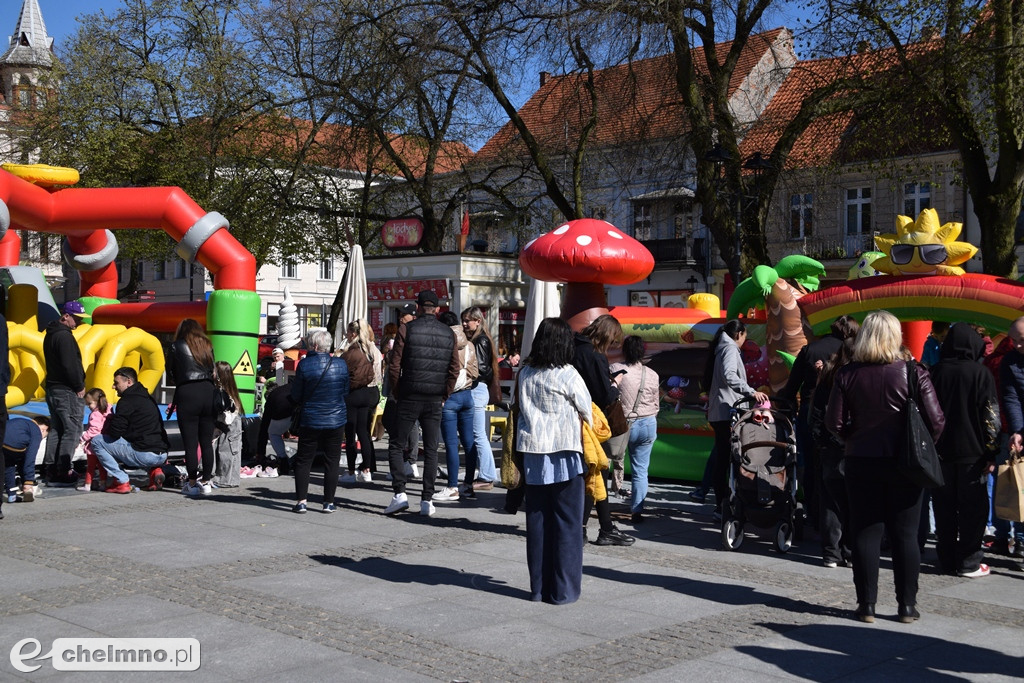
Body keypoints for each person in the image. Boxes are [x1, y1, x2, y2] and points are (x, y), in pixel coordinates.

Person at [827, 310, 945, 624]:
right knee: (906, 535)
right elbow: (936, 421)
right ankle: (906, 606)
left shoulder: (847, 374)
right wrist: (917, 445)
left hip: (861, 460)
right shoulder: (912, 371)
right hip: (905, 463)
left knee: (865, 532)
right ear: (896, 336)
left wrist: (852, 438)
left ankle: (866, 605)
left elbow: (833, 422)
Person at [517, 317, 593, 604]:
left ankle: (538, 589)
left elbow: (519, 407)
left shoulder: (526, 373)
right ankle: (563, 591)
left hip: (533, 453)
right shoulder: (568, 374)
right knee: (568, 523)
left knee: (537, 523)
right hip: (565, 453)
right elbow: (587, 410)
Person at [929, 323, 999, 578]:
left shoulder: (936, 372)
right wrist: (992, 451)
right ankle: (969, 561)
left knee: (944, 507)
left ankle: (946, 557)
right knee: (973, 509)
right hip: (973, 452)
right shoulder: (980, 374)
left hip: (940, 452)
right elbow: (990, 416)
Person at [779, 314, 859, 532]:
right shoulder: (854, 353)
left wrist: (791, 407)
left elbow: (791, 386)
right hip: (845, 415)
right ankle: (843, 519)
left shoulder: (810, 349)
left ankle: (815, 513)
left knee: (813, 465)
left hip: (810, 411)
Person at [384, 290, 460, 516]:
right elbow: (454, 369)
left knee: (397, 444)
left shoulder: (407, 329)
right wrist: (445, 393)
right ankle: (427, 499)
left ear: (417, 307)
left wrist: (398, 391)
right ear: (437, 309)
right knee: (431, 449)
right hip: (435, 397)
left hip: (409, 394)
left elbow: (394, 365)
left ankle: (400, 494)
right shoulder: (448, 333)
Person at [573, 314, 634, 546]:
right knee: (596, 470)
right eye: (613, 340)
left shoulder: (575, 347)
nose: (613, 345)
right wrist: (615, 386)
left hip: (575, 417)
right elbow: (603, 394)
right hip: (592, 420)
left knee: (595, 471)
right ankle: (587, 527)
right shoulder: (594, 355)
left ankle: (603, 526)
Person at [704, 320, 769, 517]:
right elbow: (730, 375)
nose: (744, 341)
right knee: (729, 458)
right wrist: (751, 392)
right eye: (744, 336)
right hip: (728, 410)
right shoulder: (730, 349)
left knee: (722, 458)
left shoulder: (721, 348)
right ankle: (725, 503)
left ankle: (721, 503)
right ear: (738, 334)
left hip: (720, 410)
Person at [809, 337, 856, 568]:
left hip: (829, 446)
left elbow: (816, 412)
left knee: (830, 500)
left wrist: (821, 441)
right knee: (853, 500)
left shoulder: (829, 375)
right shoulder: (856, 377)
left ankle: (831, 552)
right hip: (851, 446)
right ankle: (848, 550)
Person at [289, 328, 348, 513]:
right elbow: (345, 391)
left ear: (314, 345)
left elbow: (297, 394)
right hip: (336, 418)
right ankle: (328, 502)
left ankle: (301, 501)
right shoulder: (341, 365)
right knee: (332, 460)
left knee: (304, 460)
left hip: (311, 418)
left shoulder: (305, 366)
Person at [90, 367, 171, 494]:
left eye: (116, 383)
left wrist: (109, 422)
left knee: (97, 441)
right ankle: (155, 471)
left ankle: (121, 481)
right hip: (162, 454)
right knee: (139, 442)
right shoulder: (147, 397)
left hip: (145, 454)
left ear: (128, 381)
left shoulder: (126, 401)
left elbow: (115, 433)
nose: (113, 386)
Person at [610, 335, 660, 524]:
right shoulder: (653, 374)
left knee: (609, 462)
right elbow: (656, 403)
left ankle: (603, 501)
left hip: (623, 424)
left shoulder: (615, 369)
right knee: (641, 470)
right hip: (648, 423)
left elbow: (610, 395)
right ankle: (637, 510)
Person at [168, 318, 217, 496]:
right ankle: (206, 482)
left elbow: (171, 371)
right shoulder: (207, 345)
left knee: (190, 442)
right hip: (208, 391)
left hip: (187, 391)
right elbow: (212, 368)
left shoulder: (176, 345)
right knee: (206, 442)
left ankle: (191, 482)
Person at [434, 311, 479, 502]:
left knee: (452, 443)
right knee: (469, 442)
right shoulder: (469, 345)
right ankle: (468, 485)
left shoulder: (444, 344)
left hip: (450, 397)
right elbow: (476, 372)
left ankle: (452, 486)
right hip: (467, 396)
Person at [43, 301, 87, 486]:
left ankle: (51, 468)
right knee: (71, 429)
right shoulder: (64, 337)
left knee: (57, 429)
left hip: (53, 387)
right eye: (76, 318)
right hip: (66, 389)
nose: (77, 323)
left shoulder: (51, 334)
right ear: (66, 316)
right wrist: (78, 385)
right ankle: (63, 469)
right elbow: (70, 364)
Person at [461, 306, 501, 492]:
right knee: (476, 434)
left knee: (478, 435)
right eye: (463, 320)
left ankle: (487, 476)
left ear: (478, 321)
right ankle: (485, 474)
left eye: (467, 320)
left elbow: (483, 369)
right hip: (477, 390)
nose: (464, 324)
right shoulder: (480, 339)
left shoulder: (480, 340)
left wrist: (466, 374)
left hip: (477, 390)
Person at [340, 319, 380, 484]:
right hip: (367, 393)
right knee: (364, 433)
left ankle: (350, 471)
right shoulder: (369, 350)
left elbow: (342, 374)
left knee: (350, 434)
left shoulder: (349, 353)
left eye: (348, 333)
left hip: (352, 395)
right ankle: (367, 470)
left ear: (354, 334)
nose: (347, 335)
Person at [998, 316, 1024, 564]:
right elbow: (1011, 397)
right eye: (1013, 340)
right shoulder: (1010, 361)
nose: (1016, 345)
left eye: (1021, 341)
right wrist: (1017, 430)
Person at [213, 361, 244, 489]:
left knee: (228, 451)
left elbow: (230, 415)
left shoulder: (226, 393)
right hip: (225, 423)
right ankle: (221, 477)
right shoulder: (227, 390)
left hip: (229, 423)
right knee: (222, 449)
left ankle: (228, 479)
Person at [4, 416, 48, 503]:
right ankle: (27, 488)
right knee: (22, 458)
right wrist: (28, 482)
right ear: (44, 429)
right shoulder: (36, 431)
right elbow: (31, 457)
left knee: (9, 465)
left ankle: (12, 495)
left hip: (3, 441)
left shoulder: (20, 421)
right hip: (14, 446)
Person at [77, 388, 112, 492]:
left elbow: (94, 429)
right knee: (102, 465)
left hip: (94, 444)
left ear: (96, 402)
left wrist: (83, 438)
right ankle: (103, 483)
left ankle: (87, 484)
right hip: (105, 442)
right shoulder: (109, 410)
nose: (89, 407)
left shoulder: (96, 414)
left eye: (89, 404)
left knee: (91, 466)